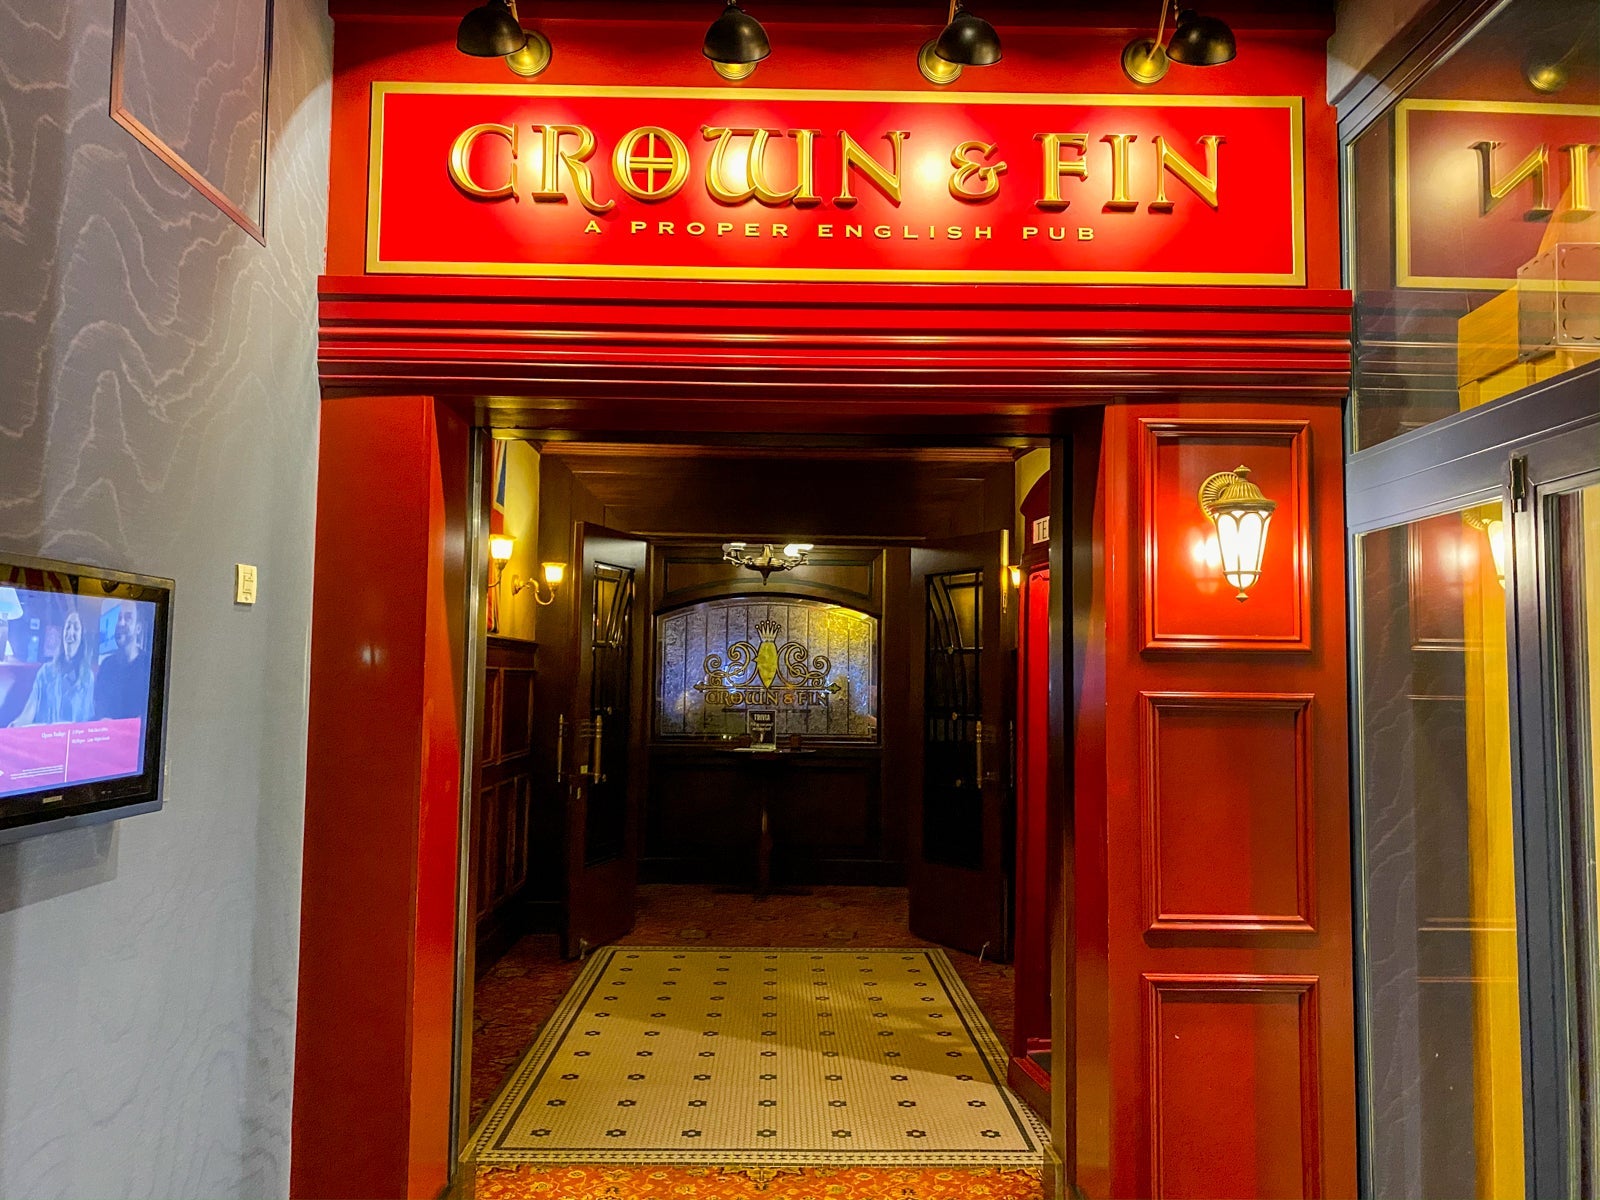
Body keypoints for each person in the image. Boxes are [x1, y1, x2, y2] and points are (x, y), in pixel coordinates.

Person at [9, 608, 95, 726]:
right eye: (68, 627)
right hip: (45, 737)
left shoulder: (88, 677)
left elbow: (87, 721)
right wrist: (14, 727)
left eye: (76, 628)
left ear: (82, 637)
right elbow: (29, 712)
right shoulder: (45, 672)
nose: (70, 633)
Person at [95, 604, 150, 720]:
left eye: (128, 618)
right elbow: (98, 708)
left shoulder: (149, 665)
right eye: (119, 618)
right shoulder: (106, 666)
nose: (121, 623)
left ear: (138, 628)